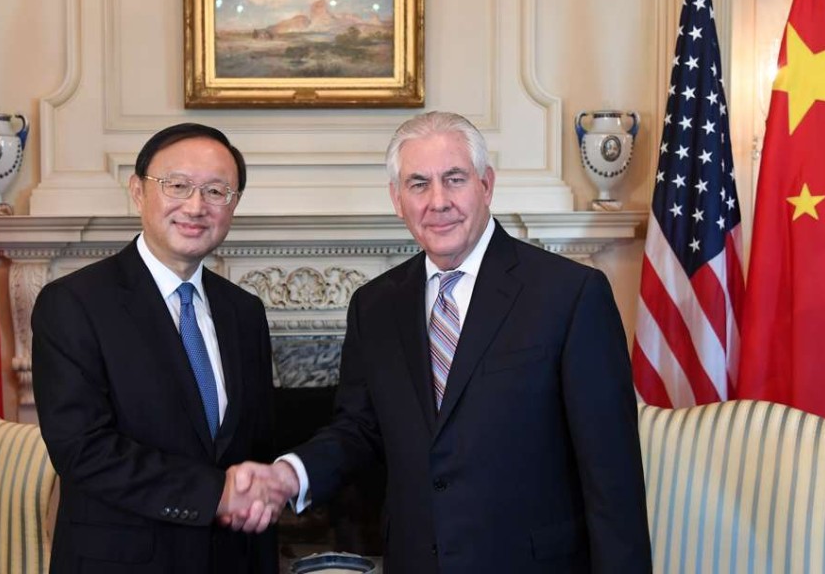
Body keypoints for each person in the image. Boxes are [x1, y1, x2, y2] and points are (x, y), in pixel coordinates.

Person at [245, 111, 651, 572]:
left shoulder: (570, 294)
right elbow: (359, 430)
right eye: (418, 184)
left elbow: (612, 477)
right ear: (398, 200)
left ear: (486, 185)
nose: (438, 201)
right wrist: (289, 474)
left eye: (454, 179)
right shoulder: (374, 306)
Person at [32, 123, 288, 573]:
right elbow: (83, 450)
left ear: (233, 204)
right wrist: (216, 494)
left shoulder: (244, 312)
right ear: (137, 191)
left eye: (215, 191)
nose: (195, 206)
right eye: (177, 185)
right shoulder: (73, 303)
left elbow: (256, 445)